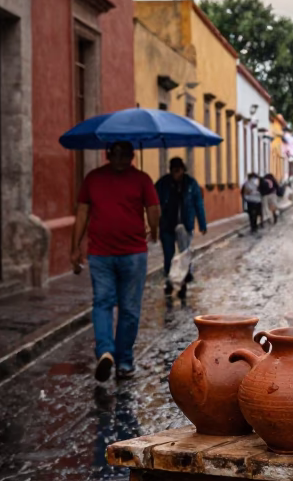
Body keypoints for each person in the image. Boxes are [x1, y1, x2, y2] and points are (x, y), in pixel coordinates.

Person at [70, 140, 160, 382]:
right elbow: (153, 209)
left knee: (103, 304)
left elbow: (82, 213)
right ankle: (122, 361)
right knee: (128, 309)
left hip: (104, 254)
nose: (120, 158)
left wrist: (75, 247)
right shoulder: (142, 179)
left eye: (122, 154)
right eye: (117, 154)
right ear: (110, 155)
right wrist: (155, 230)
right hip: (126, 254)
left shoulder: (94, 178)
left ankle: (106, 351)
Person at [155, 157, 207, 301]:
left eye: (178, 170)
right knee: (168, 256)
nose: (176, 173)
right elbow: (153, 201)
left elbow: (198, 204)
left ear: (183, 170)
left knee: (184, 256)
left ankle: (183, 284)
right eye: (173, 170)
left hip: (185, 225)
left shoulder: (191, 184)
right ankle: (169, 282)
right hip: (167, 225)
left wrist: (202, 223)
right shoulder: (163, 184)